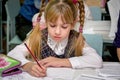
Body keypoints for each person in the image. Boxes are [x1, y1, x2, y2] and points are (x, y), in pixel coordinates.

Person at [8, 0, 102, 77]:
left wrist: (63, 62)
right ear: (46, 22)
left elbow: (96, 60)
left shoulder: (76, 39)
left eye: (64, 27)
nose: (57, 32)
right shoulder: (39, 37)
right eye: (52, 25)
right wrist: (27, 66)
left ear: (72, 24)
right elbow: (12, 54)